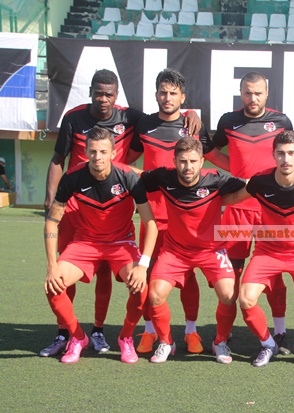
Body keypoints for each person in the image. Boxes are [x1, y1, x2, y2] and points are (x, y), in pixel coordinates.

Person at [41, 69, 200, 358]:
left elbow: (169, 115)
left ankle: (104, 331)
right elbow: (57, 158)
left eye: (109, 94)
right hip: (77, 207)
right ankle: (66, 332)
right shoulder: (74, 119)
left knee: (130, 274)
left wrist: (191, 113)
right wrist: (51, 199)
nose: (103, 99)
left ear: (116, 96)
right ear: (90, 92)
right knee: (60, 274)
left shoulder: (131, 119)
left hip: (128, 210)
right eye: (98, 93)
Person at [223, 131, 294, 367]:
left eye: (291, 153)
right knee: (246, 299)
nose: (286, 159)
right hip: (267, 252)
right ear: (273, 155)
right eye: (281, 153)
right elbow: (233, 198)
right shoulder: (260, 182)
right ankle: (268, 344)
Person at [126, 68, 221, 355]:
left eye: (173, 93)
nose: (167, 98)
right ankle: (150, 330)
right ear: (156, 94)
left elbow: (213, 157)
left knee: (187, 276)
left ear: (183, 97)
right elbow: (125, 160)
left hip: (184, 217)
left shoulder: (193, 126)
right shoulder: (144, 124)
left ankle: (191, 331)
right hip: (152, 216)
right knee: (149, 274)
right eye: (163, 92)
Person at [43, 127, 158, 364]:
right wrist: (52, 266)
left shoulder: (128, 177)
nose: (98, 157)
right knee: (53, 287)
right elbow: (52, 222)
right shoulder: (72, 177)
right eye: (93, 151)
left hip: (121, 243)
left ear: (113, 153)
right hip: (85, 242)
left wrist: (143, 266)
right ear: (86, 152)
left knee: (141, 288)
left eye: (103, 152)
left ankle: (125, 338)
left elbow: (151, 223)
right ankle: (78, 337)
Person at [138, 138, 246, 363]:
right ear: (174, 161)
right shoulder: (163, 177)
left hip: (211, 250)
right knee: (155, 294)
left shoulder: (216, 179)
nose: (188, 167)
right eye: (183, 161)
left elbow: (249, 185)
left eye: (193, 161)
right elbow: (134, 177)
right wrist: (108, 164)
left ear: (202, 161)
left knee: (229, 294)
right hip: (175, 251)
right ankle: (166, 342)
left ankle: (220, 342)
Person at [212, 72, 294, 355]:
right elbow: (210, 151)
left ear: (267, 93)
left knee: (275, 274)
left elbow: (290, 156)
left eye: (258, 93)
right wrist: (235, 168)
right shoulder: (228, 121)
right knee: (230, 274)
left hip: (271, 211)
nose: (252, 98)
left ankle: (280, 332)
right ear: (240, 93)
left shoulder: (281, 121)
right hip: (237, 210)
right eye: (247, 92)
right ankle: (223, 334)